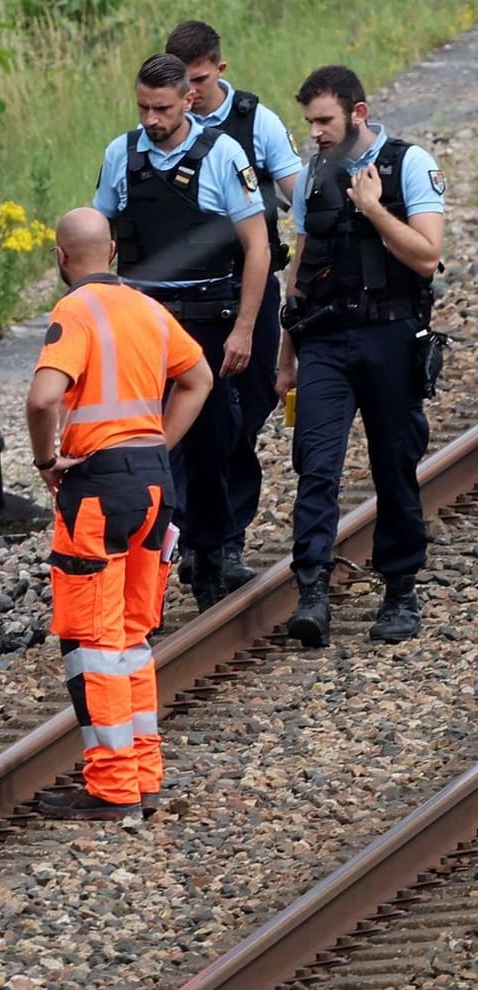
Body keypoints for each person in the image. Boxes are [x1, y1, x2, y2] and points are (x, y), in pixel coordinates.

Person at [27, 208, 215, 821]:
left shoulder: (74, 311)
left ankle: (112, 790)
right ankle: (143, 776)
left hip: (98, 490)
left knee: (93, 642)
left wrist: (46, 459)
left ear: (61, 259)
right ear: (111, 252)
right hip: (154, 486)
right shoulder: (149, 309)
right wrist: (158, 443)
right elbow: (199, 378)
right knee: (133, 638)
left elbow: (43, 397)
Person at [276, 65, 445, 647]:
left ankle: (399, 588)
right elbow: (298, 272)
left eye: (324, 120)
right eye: (310, 122)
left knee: (394, 463)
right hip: (324, 339)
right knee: (315, 463)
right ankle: (313, 591)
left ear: (358, 112)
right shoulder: (313, 173)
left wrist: (374, 209)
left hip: (391, 336)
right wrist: (285, 356)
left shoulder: (409, 164)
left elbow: (426, 257)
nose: (316, 132)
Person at [92, 53, 267, 611]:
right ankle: (157, 556)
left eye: (161, 109)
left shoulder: (224, 155)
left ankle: (211, 551)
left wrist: (244, 329)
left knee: (211, 442)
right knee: (145, 447)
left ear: (188, 100)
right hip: (143, 320)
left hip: (207, 321)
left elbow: (257, 248)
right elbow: (98, 234)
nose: (150, 118)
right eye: (142, 106)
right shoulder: (121, 155)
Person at [166, 21, 307, 587]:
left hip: (246, 289)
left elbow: (303, 197)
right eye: (183, 84)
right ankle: (197, 539)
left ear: (218, 70)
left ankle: (224, 536)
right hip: (186, 300)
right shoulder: (160, 130)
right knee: (183, 419)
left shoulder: (257, 122)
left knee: (242, 415)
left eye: (199, 81)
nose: (191, 95)